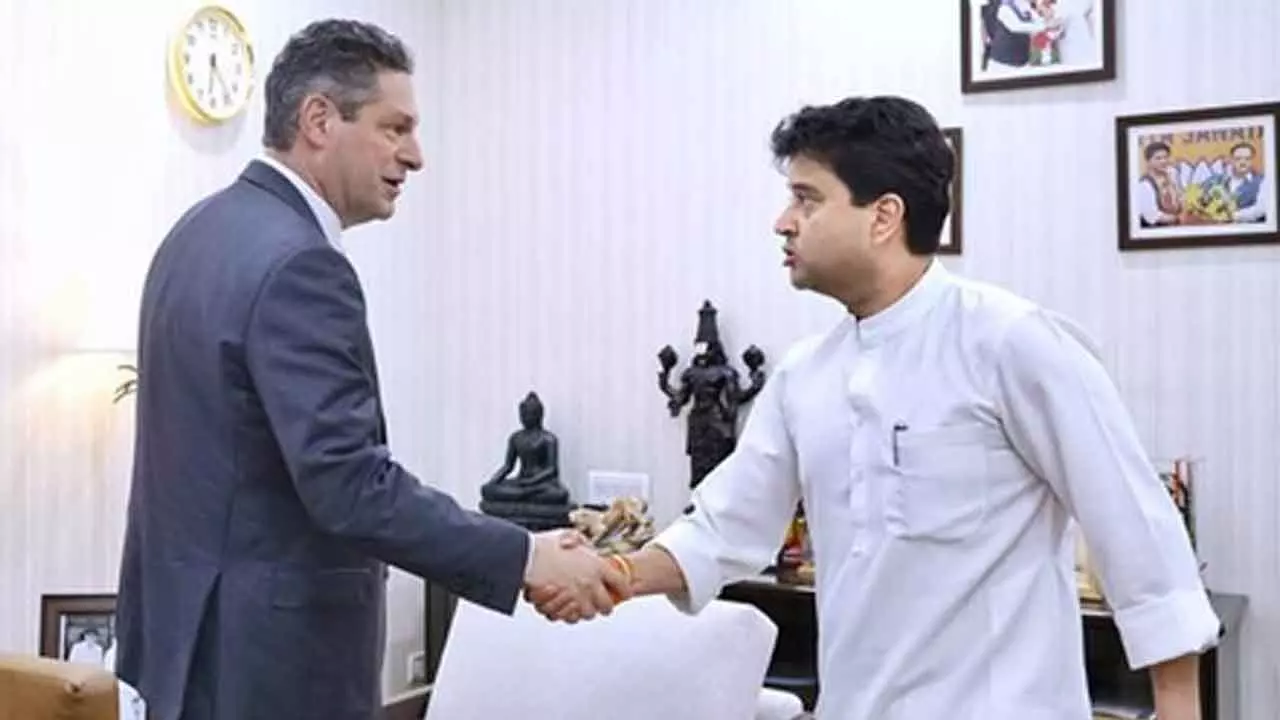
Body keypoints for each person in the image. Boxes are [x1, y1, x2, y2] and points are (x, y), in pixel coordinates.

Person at [529, 96, 1220, 719]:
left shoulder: (1011, 341)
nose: (782, 222)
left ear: (883, 216)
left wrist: (1179, 709)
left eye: (807, 200)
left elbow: (1141, 537)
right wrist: (615, 575)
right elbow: (723, 527)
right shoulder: (804, 375)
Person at [114, 19, 628, 720]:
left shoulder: (194, 234)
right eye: (395, 128)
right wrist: (526, 557)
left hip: (183, 657)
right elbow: (349, 486)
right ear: (319, 120)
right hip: (271, 675)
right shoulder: (302, 264)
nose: (415, 156)